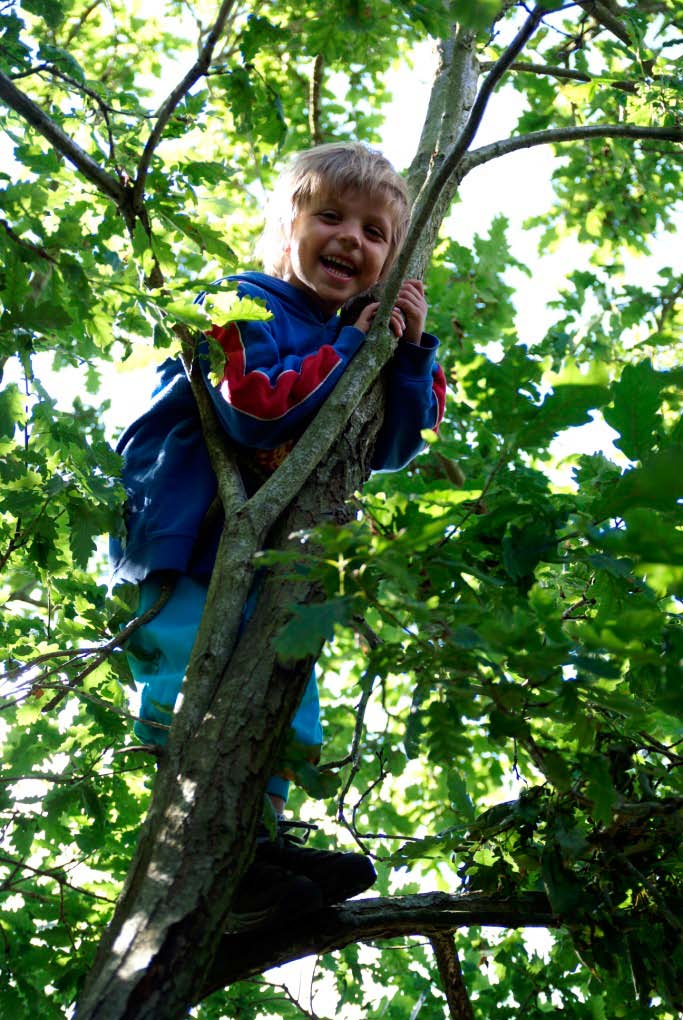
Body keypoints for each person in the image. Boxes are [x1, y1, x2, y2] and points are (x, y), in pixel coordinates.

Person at [110, 141, 446, 929]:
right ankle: (200, 845)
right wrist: (353, 345)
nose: (350, 241)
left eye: (373, 234)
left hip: (272, 551)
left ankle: (252, 848)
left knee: (280, 700)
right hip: (188, 532)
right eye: (329, 215)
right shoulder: (242, 302)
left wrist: (402, 355)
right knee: (190, 681)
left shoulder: (355, 334)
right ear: (286, 225)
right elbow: (256, 406)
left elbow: (388, 447)